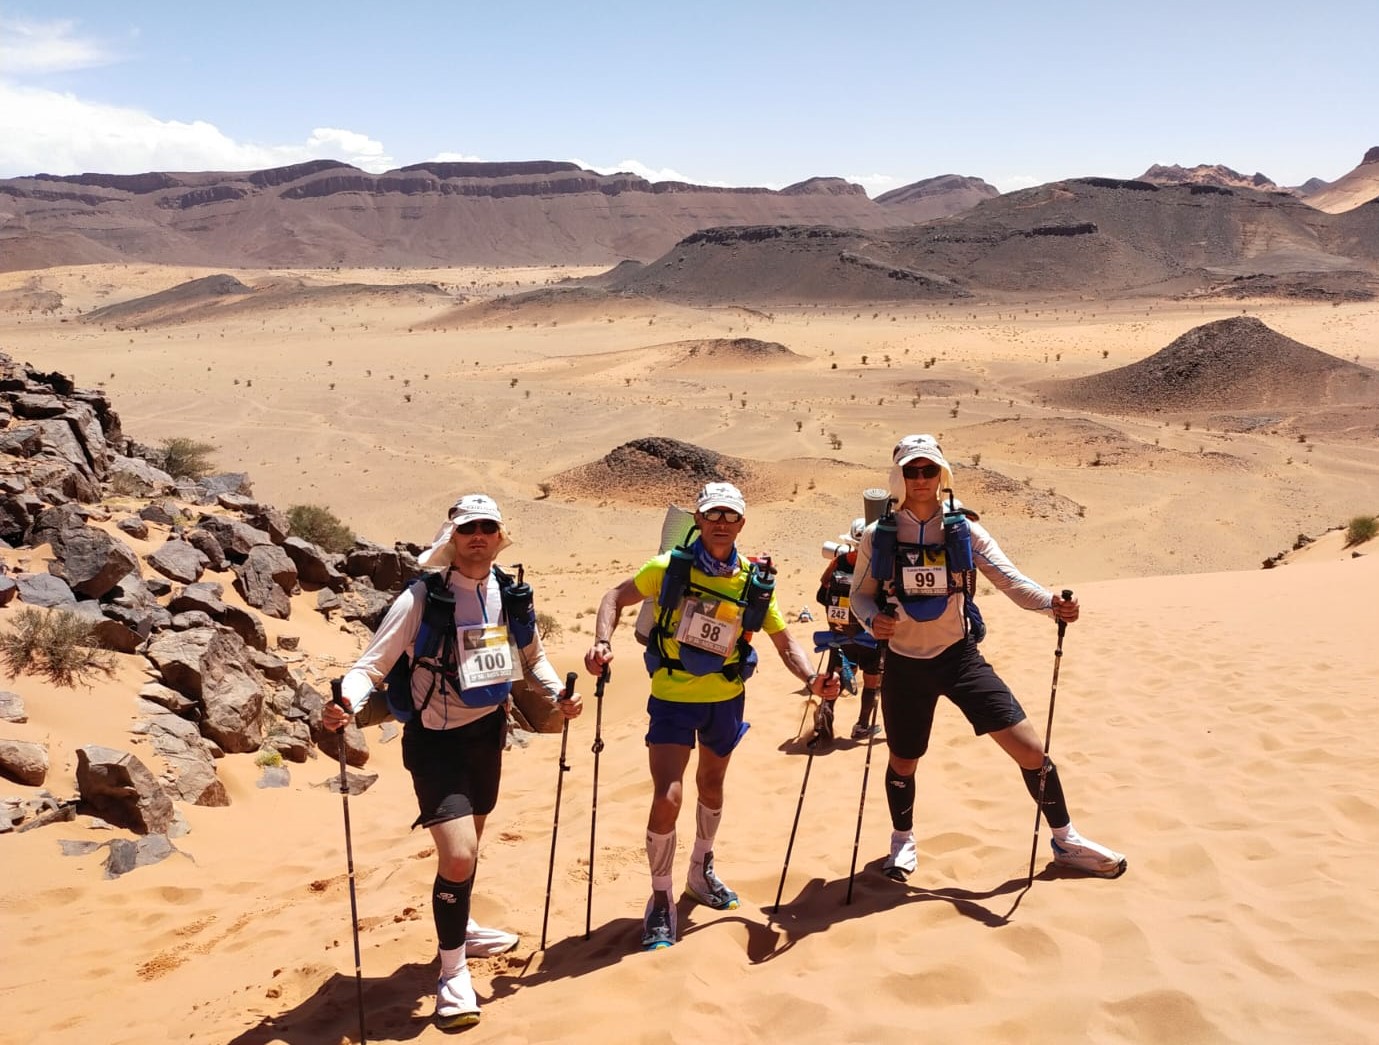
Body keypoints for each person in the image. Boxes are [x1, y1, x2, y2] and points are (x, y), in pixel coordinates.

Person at [323, 493, 581, 1029]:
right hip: (434, 743)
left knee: (471, 846)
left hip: (488, 734)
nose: (478, 537)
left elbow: (532, 658)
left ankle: (461, 925)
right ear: (453, 537)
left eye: (488, 527)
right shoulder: (422, 598)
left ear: (498, 536)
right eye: (469, 528)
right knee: (460, 856)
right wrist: (346, 701)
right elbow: (371, 665)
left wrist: (559, 695)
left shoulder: (508, 593)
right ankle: (452, 973)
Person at [849, 435, 1126, 882]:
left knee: (1031, 751)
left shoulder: (965, 531)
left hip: (959, 659)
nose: (921, 479)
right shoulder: (875, 538)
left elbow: (1011, 580)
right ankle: (902, 842)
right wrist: (871, 623)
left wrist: (1051, 603)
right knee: (903, 760)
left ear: (942, 474)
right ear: (898, 477)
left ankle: (1066, 840)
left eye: (929, 469)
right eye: (912, 470)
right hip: (902, 662)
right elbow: (859, 595)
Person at [584, 481, 840, 949]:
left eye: (730, 516)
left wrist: (812, 681)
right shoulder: (667, 569)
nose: (721, 524)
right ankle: (661, 898)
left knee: (713, 786)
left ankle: (700, 870)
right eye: (712, 515)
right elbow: (613, 598)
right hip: (672, 695)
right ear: (698, 520)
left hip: (725, 695)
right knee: (668, 795)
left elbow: (784, 641)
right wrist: (602, 642)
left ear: (742, 523)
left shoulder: (753, 584)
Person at [812, 516, 883, 747]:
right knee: (871, 681)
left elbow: (821, 596)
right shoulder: (877, 565)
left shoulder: (839, 562)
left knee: (837, 676)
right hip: (869, 635)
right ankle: (862, 725)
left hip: (839, 634)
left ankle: (825, 714)